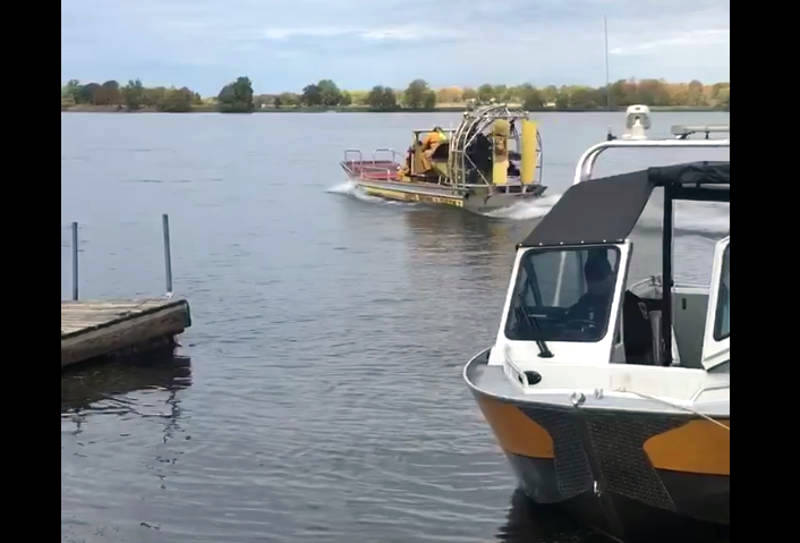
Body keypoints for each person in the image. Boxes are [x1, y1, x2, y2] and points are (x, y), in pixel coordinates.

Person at [565, 255, 615, 324]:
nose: (595, 283)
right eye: (591, 278)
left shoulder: (626, 302)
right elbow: (571, 318)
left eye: (600, 277)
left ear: (612, 276)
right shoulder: (584, 302)